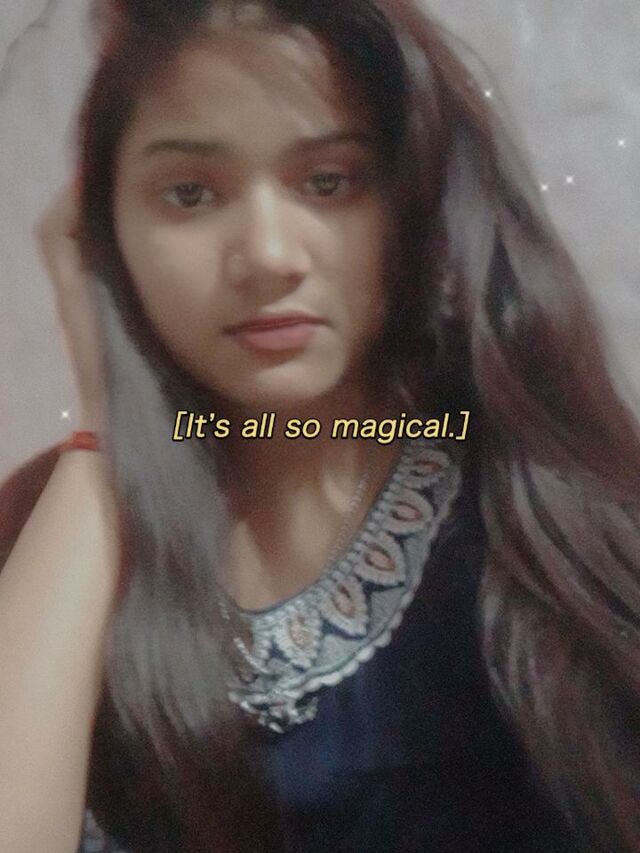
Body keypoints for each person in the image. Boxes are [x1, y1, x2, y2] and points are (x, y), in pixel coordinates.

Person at [0, 0, 638, 851]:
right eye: (189, 193)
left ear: (415, 198)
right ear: (104, 233)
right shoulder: (45, 528)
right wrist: (106, 432)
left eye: (329, 181)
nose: (269, 255)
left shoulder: (551, 524)